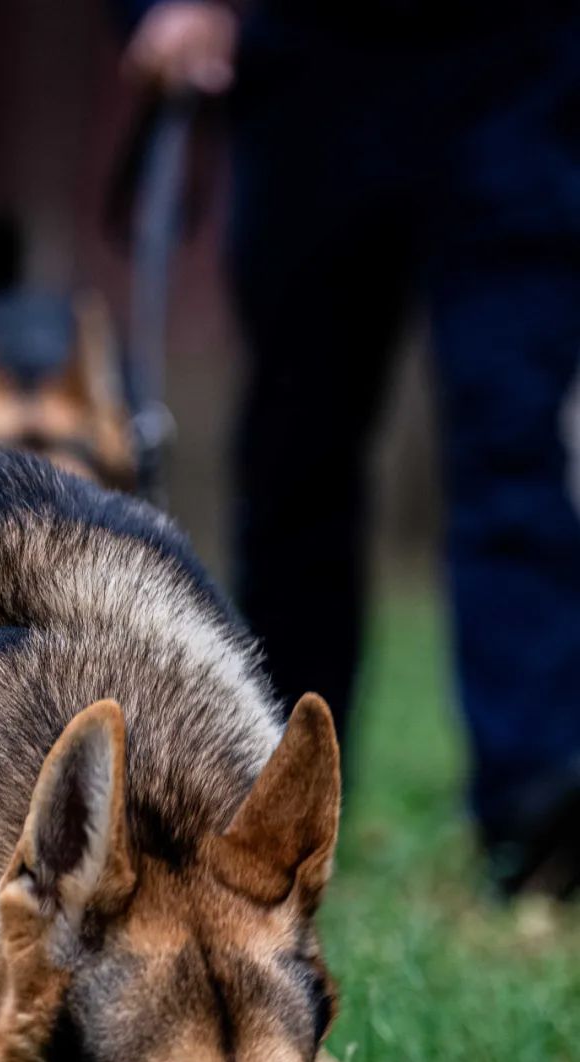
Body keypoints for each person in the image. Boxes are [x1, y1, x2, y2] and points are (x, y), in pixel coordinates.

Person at [119, 0, 580, 897]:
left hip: (520, 60)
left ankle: (538, 819)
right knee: (297, 460)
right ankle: (271, 795)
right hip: (307, 64)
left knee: (514, 448)